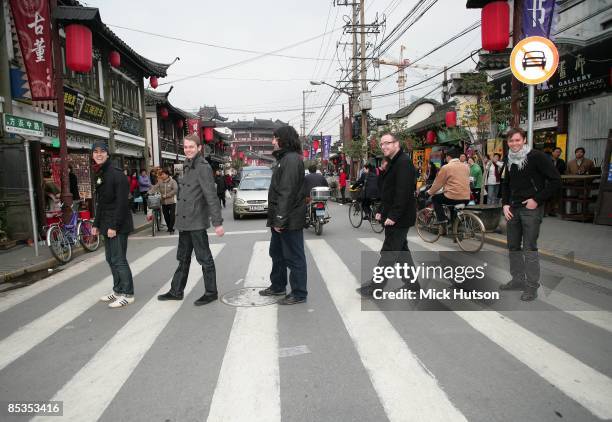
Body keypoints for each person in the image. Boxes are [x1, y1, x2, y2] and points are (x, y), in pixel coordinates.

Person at [157, 134, 224, 306]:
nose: (188, 149)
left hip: (196, 220)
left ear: (199, 148)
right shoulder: (186, 165)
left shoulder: (203, 167)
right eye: (186, 147)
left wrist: (217, 223)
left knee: (204, 258)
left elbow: (211, 196)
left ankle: (211, 292)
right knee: (183, 257)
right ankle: (176, 291)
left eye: (191, 147)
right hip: (184, 221)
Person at [500, 127, 561, 301]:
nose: (514, 144)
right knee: (513, 246)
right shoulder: (509, 158)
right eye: (511, 141)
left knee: (529, 248)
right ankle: (518, 280)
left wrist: (537, 199)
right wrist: (505, 204)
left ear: (524, 140)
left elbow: (556, 181)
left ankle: (532, 286)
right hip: (513, 208)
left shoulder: (537, 157)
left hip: (531, 208)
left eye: (517, 140)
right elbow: (505, 183)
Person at [357, 132, 417, 297]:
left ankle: (376, 287)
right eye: (381, 144)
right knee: (402, 252)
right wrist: (381, 211)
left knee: (389, 251)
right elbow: (388, 191)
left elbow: (403, 193)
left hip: (400, 217)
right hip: (393, 214)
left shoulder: (403, 162)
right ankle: (413, 286)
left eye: (387, 143)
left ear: (396, 143)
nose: (383, 146)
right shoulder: (392, 162)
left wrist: (393, 216)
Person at [259, 125, 308, 305]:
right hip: (280, 218)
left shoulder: (291, 160)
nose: (272, 141)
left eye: (275, 138)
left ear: (283, 139)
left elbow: (287, 192)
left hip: (289, 220)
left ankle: (299, 293)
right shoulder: (284, 159)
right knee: (277, 253)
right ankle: (278, 285)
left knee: (294, 257)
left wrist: (280, 220)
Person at [91, 141, 135, 308]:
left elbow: (122, 203)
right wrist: (96, 224)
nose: (99, 154)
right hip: (106, 223)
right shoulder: (101, 172)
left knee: (119, 259)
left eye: (102, 151)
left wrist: (114, 226)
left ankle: (128, 293)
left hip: (118, 224)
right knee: (110, 258)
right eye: (95, 152)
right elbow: (101, 203)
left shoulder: (117, 174)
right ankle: (117, 290)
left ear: (107, 154)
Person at [427, 148, 471, 224]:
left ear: (448, 157)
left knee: (435, 198)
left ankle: (442, 220)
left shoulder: (446, 167)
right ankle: (454, 225)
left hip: (453, 196)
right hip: (466, 197)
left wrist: (429, 192)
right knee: (451, 205)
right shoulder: (466, 167)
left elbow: (438, 183)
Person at [148, 168, 178, 233]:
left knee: (172, 215)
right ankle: (169, 227)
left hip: (172, 201)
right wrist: (149, 192)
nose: (162, 176)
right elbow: (155, 187)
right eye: (161, 174)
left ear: (167, 175)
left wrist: (167, 195)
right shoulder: (160, 182)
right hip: (163, 202)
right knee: (166, 215)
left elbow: (175, 190)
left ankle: (171, 228)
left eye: (163, 174)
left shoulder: (173, 181)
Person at [546, 147, 566, 216]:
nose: (558, 153)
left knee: (555, 196)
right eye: (557, 152)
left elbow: (563, 171)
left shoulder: (561, 161)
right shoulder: (547, 160)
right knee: (546, 196)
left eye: (559, 152)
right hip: (547, 180)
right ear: (552, 152)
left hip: (556, 181)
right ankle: (544, 212)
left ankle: (552, 211)